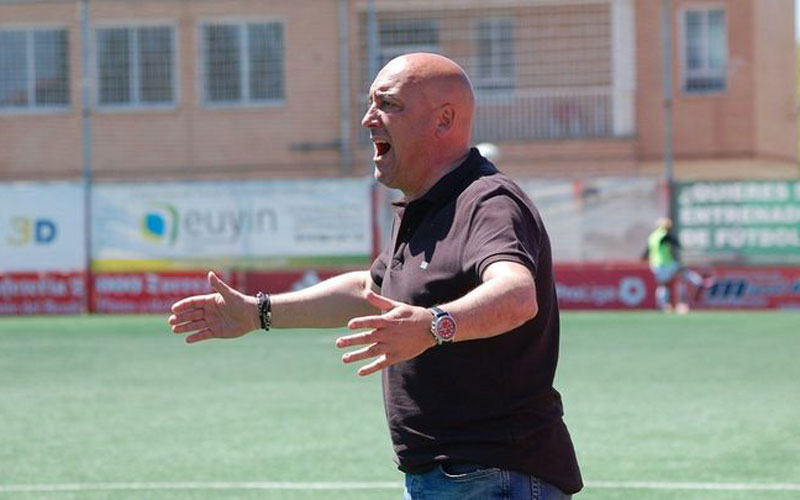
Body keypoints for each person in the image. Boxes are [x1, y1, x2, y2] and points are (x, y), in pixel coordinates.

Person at [168, 53, 582, 499]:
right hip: (454, 476)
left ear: (444, 120)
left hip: (491, 475)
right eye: (370, 103)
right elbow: (372, 290)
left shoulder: (488, 201)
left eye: (389, 105)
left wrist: (432, 325)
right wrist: (258, 313)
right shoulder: (423, 205)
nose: (369, 119)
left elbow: (516, 294)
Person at [642, 217, 713, 313]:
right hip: (666, 263)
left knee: (664, 285)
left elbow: (647, 251)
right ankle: (699, 283)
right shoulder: (664, 235)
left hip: (655, 265)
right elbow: (674, 242)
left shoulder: (652, 236)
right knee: (682, 272)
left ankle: (663, 305)